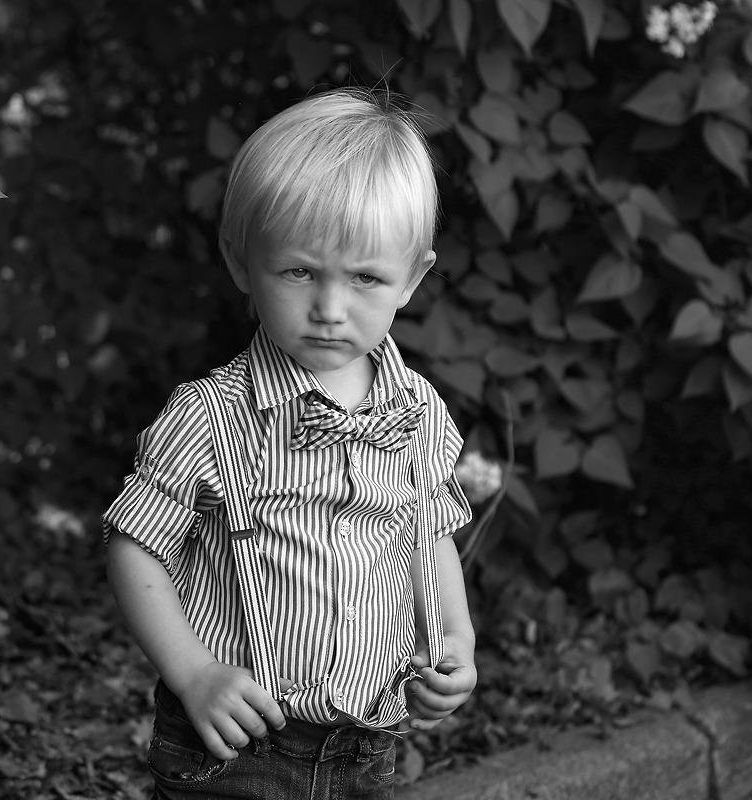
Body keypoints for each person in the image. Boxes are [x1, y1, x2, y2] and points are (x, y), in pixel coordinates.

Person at [103, 86, 477, 799]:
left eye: (366, 278)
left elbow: (427, 533)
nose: (330, 310)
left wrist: (452, 638)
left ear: (412, 279)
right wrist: (194, 674)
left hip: (366, 738)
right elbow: (134, 546)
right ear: (242, 262)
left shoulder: (419, 411)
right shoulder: (209, 416)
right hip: (235, 740)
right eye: (299, 271)